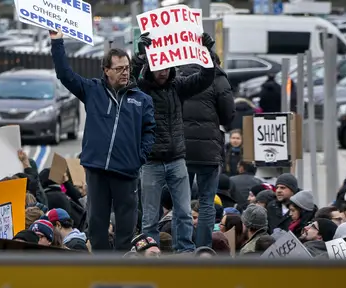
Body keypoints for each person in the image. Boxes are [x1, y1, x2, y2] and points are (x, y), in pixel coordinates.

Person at [50, 30, 156, 251]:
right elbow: (64, 74)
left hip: (127, 172)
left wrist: (140, 157)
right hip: (97, 169)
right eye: (118, 69)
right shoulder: (92, 90)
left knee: (126, 228)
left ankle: (122, 269)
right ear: (106, 71)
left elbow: (150, 131)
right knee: (97, 227)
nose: (124, 73)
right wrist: (57, 41)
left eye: (126, 68)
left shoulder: (142, 99)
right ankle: (101, 268)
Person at [131, 31, 216, 252]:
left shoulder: (177, 86)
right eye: (159, 67)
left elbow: (204, 79)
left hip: (177, 159)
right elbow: (129, 80)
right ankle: (150, 254)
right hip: (151, 161)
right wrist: (140, 57)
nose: (163, 72)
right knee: (150, 216)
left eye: (167, 67)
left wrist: (207, 53)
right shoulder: (142, 89)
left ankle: (184, 253)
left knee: (185, 212)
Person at [181, 50, 234, 248]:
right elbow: (228, 115)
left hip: (181, 149)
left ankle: (183, 246)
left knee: (182, 202)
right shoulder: (218, 78)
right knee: (206, 203)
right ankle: (203, 248)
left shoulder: (179, 75)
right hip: (209, 151)